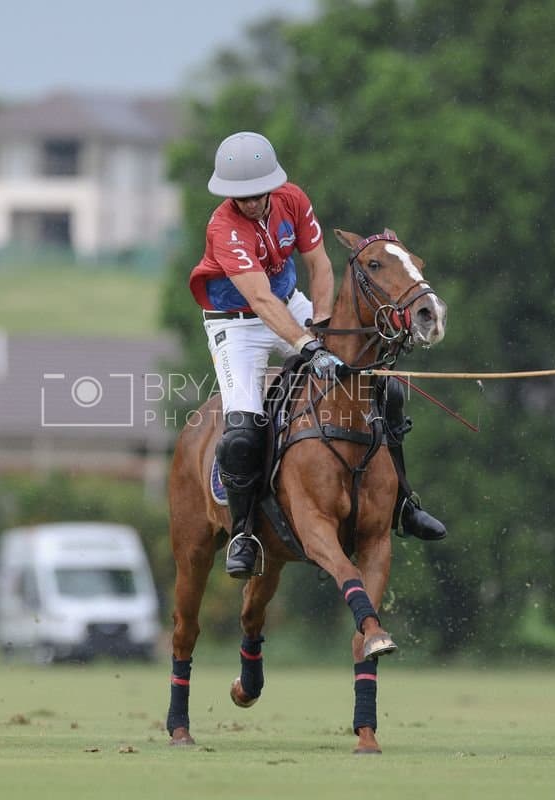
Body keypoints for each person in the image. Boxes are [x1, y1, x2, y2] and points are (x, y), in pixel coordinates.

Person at [189, 132, 446, 580]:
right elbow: (260, 302)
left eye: (256, 194)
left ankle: (403, 504)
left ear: (272, 186)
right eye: (240, 197)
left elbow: (320, 265)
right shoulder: (223, 228)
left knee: (382, 388)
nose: (250, 203)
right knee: (242, 433)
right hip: (236, 323)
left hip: (291, 304)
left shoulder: (293, 200)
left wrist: (323, 323)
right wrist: (309, 346)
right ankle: (245, 533)